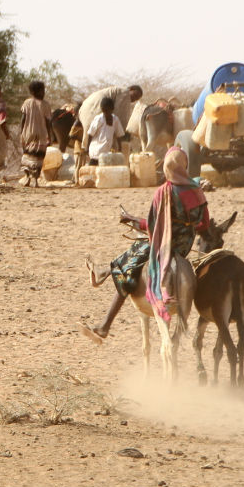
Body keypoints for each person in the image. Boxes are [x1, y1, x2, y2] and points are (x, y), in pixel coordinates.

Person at [81, 147, 209, 343]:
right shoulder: (196, 190)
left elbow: (151, 226)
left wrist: (132, 219)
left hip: (164, 244)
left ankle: (105, 325)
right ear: (184, 165)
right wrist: (186, 227)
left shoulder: (164, 191)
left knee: (127, 266)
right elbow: (204, 224)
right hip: (184, 246)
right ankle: (101, 272)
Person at [77, 84, 143, 142]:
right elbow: (120, 117)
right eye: (135, 95)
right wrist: (124, 134)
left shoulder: (116, 91)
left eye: (137, 99)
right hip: (95, 110)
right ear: (130, 89)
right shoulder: (125, 93)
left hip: (85, 109)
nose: (134, 99)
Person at [19, 80, 52, 187]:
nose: (44, 93)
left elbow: (23, 119)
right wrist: (50, 136)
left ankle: (28, 178)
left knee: (27, 156)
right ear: (37, 91)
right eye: (42, 90)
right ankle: (35, 180)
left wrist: (21, 132)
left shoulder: (26, 103)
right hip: (41, 135)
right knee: (38, 158)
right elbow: (48, 122)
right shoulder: (45, 105)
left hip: (28, 134)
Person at [83, 96, 131, 165]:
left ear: (112, 109)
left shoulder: (115, 120)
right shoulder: (99, 119)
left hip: (106, 153)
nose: (105, 112)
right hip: (95, 151)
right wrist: (87, 148)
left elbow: (119, 135)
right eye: (104, 110)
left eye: (107, 110)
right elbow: (90, 134)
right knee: (93, 171)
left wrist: (120, 148)